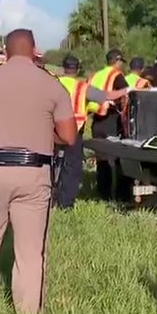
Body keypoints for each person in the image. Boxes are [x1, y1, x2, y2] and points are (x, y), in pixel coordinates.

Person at [0, 29, 76, 314]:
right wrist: (39, 134)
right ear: (34, 49)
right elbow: (69, 136)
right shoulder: (52, 86)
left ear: (6, 50)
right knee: (30, 249)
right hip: (34, 173)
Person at [56, 54, 131, 209]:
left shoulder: (53, 82)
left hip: (52, 130)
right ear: (77, 70)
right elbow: (107, 95)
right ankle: (66, 203)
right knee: (72, 167)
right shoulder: (82, 87)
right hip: (74, 131)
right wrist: (126, 90)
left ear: (63, 68)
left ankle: (49, 198)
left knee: (51, 163)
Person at [87, 49, 130, 200]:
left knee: (101, 157)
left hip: (96, 120)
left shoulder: (95, 75)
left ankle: (103, 193)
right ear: (117, 61)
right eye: (121, 62)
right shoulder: (116, 75)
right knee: (115, 158)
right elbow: (126, 94)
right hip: (111, 119)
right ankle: (120, 195)